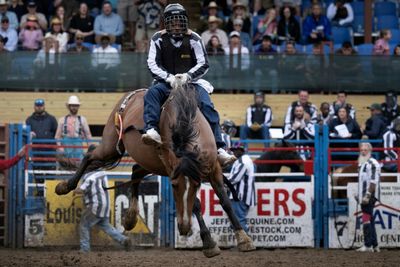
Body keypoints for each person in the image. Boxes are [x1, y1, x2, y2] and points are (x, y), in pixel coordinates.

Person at [141, 3, 236, 166]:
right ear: (167, 23)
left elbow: (204, 63)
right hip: (166, 82)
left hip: (191, 83)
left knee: (207, 105)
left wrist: (187, 76)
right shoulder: (157, 38)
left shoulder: (194, 38)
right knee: (151, 94)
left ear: (185, 22)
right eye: (173, 22)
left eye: (179, 22)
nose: (176, 26)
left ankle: (220, 149)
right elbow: (152, 64)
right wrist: (169, 77)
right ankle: (152, 129)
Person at [74, 146, 131, 253]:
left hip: (96, 205)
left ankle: (85, 248)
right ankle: (123, 240)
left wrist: (73, 189)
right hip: (104, 204)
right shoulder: (102, 172)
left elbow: (82, 189)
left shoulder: (89, 175)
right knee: (106, 226)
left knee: (84, 224)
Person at [355, 142, 380, 253]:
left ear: (370, 151)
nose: (363, 151)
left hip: (369, 195)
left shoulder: (372, 163)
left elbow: (374, 180)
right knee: (370, 219)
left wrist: (368, 195)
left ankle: (368, 245)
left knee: (366, 218)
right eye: (362, 149)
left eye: (366, 150)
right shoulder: (362, 164)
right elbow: (362, 181)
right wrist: (359, 194)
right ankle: (374, 245)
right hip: (364, 195)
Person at [227, 142, 256, 233]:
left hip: (239, 195)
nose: (234, 152)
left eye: (236, 150)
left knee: (238, 220)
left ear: (241, 150)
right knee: (236, 220)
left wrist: (221, 183)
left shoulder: (242, 161)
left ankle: (246, 243)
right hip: (243, 195)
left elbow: (235, 179)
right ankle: (244, 242)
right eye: (233, 150)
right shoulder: (246, 160)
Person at [55, 95, 92, 160]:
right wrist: (60, 148)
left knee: (79, 165)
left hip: (78, 148)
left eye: (76, 105)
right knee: (66, 165)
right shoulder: (62, 120)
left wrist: (90, 148)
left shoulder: (83, 120)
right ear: (69, 107)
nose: (74, 107)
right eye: (72, 105)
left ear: (78, 107)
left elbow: (88, 135)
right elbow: (57, 136)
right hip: (66, 148)